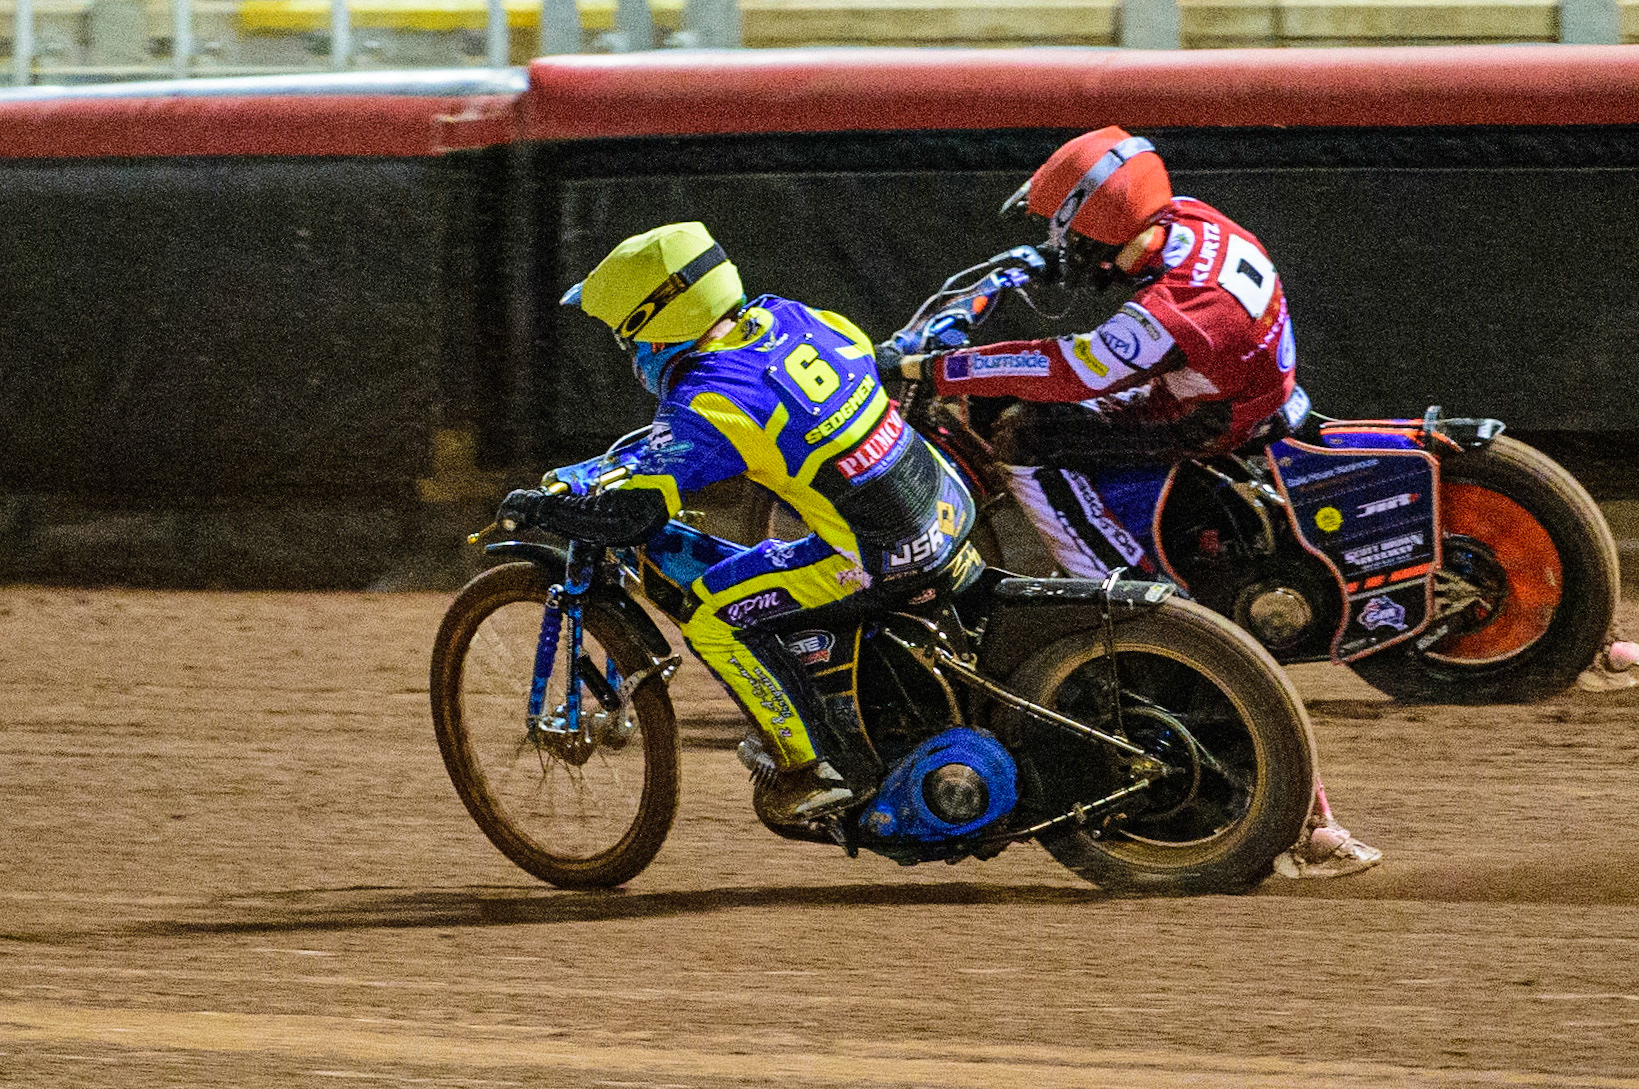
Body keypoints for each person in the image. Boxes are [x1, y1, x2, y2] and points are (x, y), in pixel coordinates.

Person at [893, 127, 1382, 879]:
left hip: (1203, 422)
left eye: (1057, 229)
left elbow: (1081, 366)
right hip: (1231, 390)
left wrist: (946, 367)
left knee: (1027, 436)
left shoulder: (1178, 301)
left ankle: (1112, 594)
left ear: (1091, 221)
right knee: (1023, 390)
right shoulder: (1185, 221)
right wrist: (1025, 271)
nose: (1052, 242)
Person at [496, 221, 981, 825]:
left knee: (714, 612)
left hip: (882, 554)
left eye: (626, 337)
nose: (628, 353)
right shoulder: (790, 315)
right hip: (946, 503)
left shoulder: (709, 399)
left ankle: (808, 770)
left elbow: (632, 516)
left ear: (655, 325)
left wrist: (541, 510)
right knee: (777, 554)